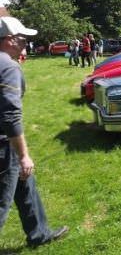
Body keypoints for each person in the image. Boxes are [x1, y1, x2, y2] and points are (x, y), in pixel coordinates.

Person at [0, 16, 68, 247]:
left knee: (25, 183)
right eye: (22, 39)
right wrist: (23, 155)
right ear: (9, 40)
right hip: (3, 147)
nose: (25, 44)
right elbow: (10, 116)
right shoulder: (8, 66)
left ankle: (39, 233)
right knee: (2, 202)